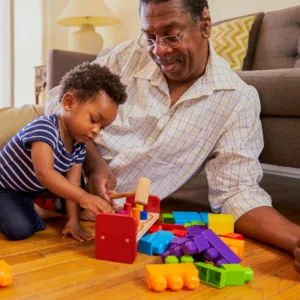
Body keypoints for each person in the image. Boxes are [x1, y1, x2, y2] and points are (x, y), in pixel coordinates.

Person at [45, 0, 300, 254]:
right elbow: (59, 103)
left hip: (69, 204)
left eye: (171, 35)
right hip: (43, 148)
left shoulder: (237, 100)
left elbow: (238, 192)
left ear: (205, 25)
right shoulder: (128, 56)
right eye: (150, 36)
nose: (159, 50)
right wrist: (95, 165)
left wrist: (295, 241)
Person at [0, 62, 127, 241]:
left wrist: (74, 221)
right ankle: (33, 210)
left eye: (102, 127)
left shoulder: (79, 145)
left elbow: (73, 183)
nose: (97, 131)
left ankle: (30, 207)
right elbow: (44, 173)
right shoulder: (44, 129)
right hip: (3, 187)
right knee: (19, 230)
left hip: (26, 190)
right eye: (93, 120)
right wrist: (84, 197)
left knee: (28, 219)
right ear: (68, 103)